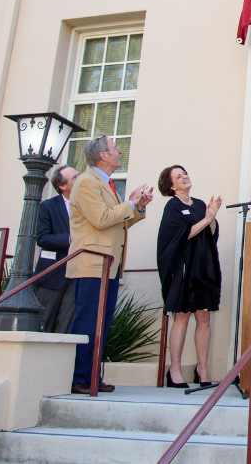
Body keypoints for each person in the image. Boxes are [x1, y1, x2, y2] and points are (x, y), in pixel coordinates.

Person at [67, 135, 153, 394]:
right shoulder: (86, 183)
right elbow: (102, 219)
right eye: (115, 149)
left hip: (110, 265)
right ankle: (79, 378)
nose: (119, 152)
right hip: (93, 264)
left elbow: (119, 222)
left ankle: (93, 375)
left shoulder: (105, 183)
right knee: (88, 322)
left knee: (102, 323)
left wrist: (137, 207)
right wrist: (129, 204)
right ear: (103, 155)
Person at [156, 165, 222, 389]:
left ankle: (202, 370)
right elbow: (184, 234)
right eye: (179, 176)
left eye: (185, 173)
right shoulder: (172, 206)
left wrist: (211, 217)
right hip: (183, 268)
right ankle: (174, 370)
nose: (184, 177)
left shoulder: (200, 204)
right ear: (171, 185)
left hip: (203, 268)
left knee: (204, 318)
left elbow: (210, 234)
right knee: (182, 317)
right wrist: (207, 219)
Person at [33, 165, 79, 333]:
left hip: (77, 273)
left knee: (68, 325)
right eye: (75, 177)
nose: (80, 178)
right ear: (62, 186)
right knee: (43, 323)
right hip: (52, 273)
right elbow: (42, 238)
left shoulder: (87, 205)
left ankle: (60, 359)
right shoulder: (47, 206)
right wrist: (71, 239)